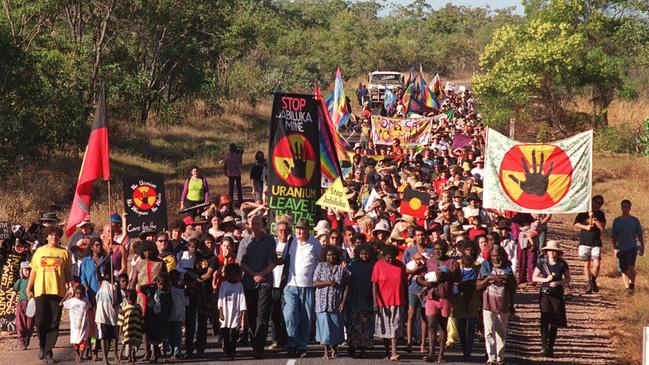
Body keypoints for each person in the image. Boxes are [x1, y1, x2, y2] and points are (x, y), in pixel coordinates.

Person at [27, 225, 72, 363]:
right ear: (46, 236)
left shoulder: (64, 253)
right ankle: (42, 345)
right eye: (51, 234)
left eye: (56, 234)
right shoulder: (39, 252)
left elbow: (67, 272)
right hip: (41, 291)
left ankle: (48, 352)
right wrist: (29, 288)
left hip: (58, 292)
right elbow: (33, 271)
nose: (54, 237)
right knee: (40, 322)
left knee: (54, 323)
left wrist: (70, 286)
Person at [236, 215, 277, 358]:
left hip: (265, 282)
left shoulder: (270, 241)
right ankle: (254, 343)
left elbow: (273, 262)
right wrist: (253, 274)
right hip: (249, 282)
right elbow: (241, 263)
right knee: (252, 315)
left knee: (263, 314)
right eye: (253, 223)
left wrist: (261, 274)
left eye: (258, 223)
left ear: (262, 225)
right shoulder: (244, 242)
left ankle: (259, 347)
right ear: (249, 225)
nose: (255, 226)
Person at [282, 219, 321, 358]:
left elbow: (320, 261)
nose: (299, 231)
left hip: (308, 286)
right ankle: (292, 342)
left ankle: (301, 345)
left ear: (308, 230)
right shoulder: (291, 241)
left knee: (305, 317)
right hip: (291, 284)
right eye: (297, 228)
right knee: (290, 314)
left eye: (302, 228)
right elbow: (285, 259)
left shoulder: (315, 244)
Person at [417, 240, 459, 363]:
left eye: (440, 249)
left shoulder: (452, 262)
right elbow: (419, 276)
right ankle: (431, 353)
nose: (438, 251)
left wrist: (442, 275)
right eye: (435, 249)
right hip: (431, 297)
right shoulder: (429, 262)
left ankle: (441, 354)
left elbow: (455, 277)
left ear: (446, 250)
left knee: (442, 326)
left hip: (445, 298)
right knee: (431, 326)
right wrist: (424, 282)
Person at [477, 245, 517, 365]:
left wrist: (507, 278)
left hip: (503, 304)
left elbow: (513, 287)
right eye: (494, 256)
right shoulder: (486, 266)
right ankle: (491, 357)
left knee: (501, 332)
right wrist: (489, 278)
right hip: (487, 303)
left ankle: (500, 357)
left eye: (498, 255)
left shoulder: (507, 268)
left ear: (503, 256)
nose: (496, 258)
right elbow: (478, 286)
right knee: (488, 331)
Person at [532, 240, 571, 358]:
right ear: (546, 251)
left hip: (557, 294)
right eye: (550, 250)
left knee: (555, 321)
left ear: (557, 252)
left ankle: (550, 347)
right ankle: (543, 346)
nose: (552, 253)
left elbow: (568, 279)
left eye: (554, 251)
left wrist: (558, 283)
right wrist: (545, 280)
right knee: (544, 318)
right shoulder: (542, 262)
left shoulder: (562, 264)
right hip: (545, 293)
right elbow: (534, 277)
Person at [313, 245, 349, 360]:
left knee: (336, 327)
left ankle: (334, 347)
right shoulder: (320, 266)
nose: (331, 257)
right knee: (324, 328)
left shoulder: (341, 269)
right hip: (322, 303)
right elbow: (315, 283)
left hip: (336, 303)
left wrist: (343, 302)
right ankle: (325, 351)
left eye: (333, 255)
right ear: (325, 256)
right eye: (329, 255)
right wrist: (328, 282)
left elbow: (347, 285)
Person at [372, 244, 406, 361]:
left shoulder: (401, 266)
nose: (389, 259)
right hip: (383, 302)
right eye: (387, 257)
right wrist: (375, 302)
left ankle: (394, 352)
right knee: (385, 329)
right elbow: (374, 284)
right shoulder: (378, 265)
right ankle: (388, 352)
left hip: (397, 300)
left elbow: (404, 283)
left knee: (395, 327)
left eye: (392, 257)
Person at [402, 225, 431, 353]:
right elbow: (404, 269)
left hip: (426, 285)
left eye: (422, 235)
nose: (420, 237)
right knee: (411, 314)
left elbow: (433, 266)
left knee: (425, 315)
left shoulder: (431, 251)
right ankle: (409, 342)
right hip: (412, 286)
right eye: (418, 235)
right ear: (414, 237)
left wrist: (424, 260)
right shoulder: (409, 251)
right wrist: (414, 270)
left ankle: (423, 343)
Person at [574, 195, 606, 293]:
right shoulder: (584, 213)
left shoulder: (600, 214)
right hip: (585, 241)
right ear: (592, 202)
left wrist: (595, 220)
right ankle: (589, 283)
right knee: (586, 264)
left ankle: (593, 281)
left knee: (597, 264)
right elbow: (575, 225)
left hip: (596, 242)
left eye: (600, 203)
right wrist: (585, 226)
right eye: (596, 202)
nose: (598, 205)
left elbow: (602, 228)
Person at [611, 199, 644, 294]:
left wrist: (642, 246)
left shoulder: (634, 220)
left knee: (631, 266)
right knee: (623, 269)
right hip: (621, 248)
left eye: (626, 206)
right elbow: (614, 236)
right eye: (623, 206)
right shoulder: (617, 221)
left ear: (630, 208)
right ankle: (627, 288)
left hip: (632, 247)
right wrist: (615, 248)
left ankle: (632, 285)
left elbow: (640, 234)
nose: (624, 208)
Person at [218, 263, 247, 360]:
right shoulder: (223, 285)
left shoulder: (239, 286)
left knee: (234, 333)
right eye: (230, 274)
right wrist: (220, 312)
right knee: (225, 332)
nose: (233, 276)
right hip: (225, 313)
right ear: (226, 274)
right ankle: (226, 348)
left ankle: (233, 350)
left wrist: (242, 315)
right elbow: (220, 300)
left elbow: (242, 301)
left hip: (235, 313)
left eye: (235, 274)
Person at [270, 220, 290, 349]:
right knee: (274, 314)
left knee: (286, 313)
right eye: (280, 230)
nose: (283, 233)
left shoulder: (291, 245)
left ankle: (285, 339)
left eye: (285, 230)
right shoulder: (272, 244)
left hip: (286, 284)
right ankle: (275, 340)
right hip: (273, 283)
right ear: (276, 232)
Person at [95, 260, 119, 365]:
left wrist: (116, 303)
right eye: (106, 272)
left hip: (112, 314)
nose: (108, 274)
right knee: (104, 337)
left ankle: (114, 355)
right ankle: (105, 358)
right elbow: (96, 268)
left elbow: (119, 299)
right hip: (102, 314)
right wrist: (108, 257)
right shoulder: (101, 282)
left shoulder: (115, 284)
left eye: (110, 272)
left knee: (113, 337)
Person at [8, 261, 34, 349]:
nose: (27, 272)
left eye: (29, 270)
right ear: (21, 271)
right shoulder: (20, 281)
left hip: (31, 304)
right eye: (25, 270)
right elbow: (14, 293)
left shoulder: (35, 281)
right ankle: (21, 340)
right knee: (20, 322)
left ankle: (27, 337)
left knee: (30, 323)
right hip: (21, 303)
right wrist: (10, 304)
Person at [62, 285, 90, 363]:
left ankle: (80, 356)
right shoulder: (72, 301)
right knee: (75, 343)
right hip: (74, 327)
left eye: (81, 294)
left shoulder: (86, 300)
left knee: (83, 341)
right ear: (75, 293)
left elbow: (89, 307)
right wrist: (67, 296)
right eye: (77, 293)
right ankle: (78, 355)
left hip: (83, 326)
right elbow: (61, 304)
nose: (79, 295)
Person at [117, 289, 144, 364]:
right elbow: (121, 320)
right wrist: (120, 330)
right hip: (127, 329)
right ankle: (123, 355)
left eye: (132, 299)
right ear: (126, 299)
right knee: (125, 343)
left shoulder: (138, 307)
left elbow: (141, 317)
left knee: (135, 343)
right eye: (129, 299)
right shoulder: (124, 309)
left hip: (136, 329)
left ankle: (133, 355)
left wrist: (142, 326)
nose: (130, 301)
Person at [168, 270, 187, 360]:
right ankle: (172, 351)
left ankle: (177, 352)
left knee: (177, 334)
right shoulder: (168, 289)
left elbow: (185, 302)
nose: (174, 279)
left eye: (176, 277)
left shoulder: (182, 290)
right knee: (171, 334)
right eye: (172, 277)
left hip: (179, 315)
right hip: (170, 315)